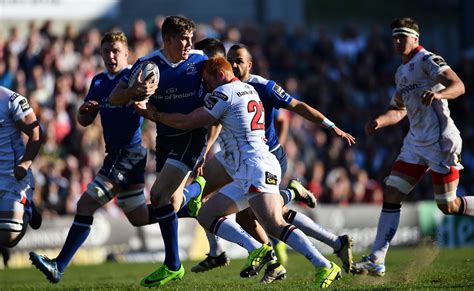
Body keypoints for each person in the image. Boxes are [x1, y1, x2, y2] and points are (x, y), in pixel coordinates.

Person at [149, 56, 344, 288]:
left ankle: (324, 265)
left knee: (273, 223)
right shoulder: (248, 89)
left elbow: (190, 122)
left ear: (220, 75)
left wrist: (155, 115)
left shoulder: (225, 93)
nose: (206, 86)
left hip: (255, 166)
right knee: (206, 214)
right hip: (246, 169)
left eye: (208, 81)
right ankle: (257, 248)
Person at [192, 42, 356, 281]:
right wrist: (205, 150)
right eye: (230, 59)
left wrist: (329, 126)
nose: (234, 64)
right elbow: (214, 122)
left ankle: (275, 257)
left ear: (250, 64)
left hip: (264, 156)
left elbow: (293, 109)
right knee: (206, 200)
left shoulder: (262, 87)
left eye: (239, 60)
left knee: (264, 217)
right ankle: (323, 241)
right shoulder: (220, 88)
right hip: (235, 159)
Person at [29, 31, 155, 283]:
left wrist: (140, 93)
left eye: (115, 51)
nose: (111, 55)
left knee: (85, 204)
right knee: (139, 216)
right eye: (106, 50)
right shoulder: (97, 81)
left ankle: (59, 265)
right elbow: (84, 120)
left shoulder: (135, 76)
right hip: (115, 155)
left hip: (129, 154)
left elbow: (146, 97)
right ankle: (188, 205)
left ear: (126, 53)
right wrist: (85, 113)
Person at [352, 17, 473, 277]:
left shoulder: (428, 60)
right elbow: (398, 110)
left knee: (448, 206)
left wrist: (440, 93)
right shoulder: (401, 72)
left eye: (402, 36)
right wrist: (379, 121)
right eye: (395, 37)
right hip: (415, 143)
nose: (397, 41)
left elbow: (459, 85)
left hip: (441, 141)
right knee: (392, 193)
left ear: (415, 39)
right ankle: (377, 259)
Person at [109, 16, 208, 287]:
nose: (189, 44)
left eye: (191, 38)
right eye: (182, 39)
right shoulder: (147, 65)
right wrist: (133, 90)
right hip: (165, 140)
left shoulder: (201, 62)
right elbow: (113, 98)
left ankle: (173, 265)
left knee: (158, 195)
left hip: (191, 137)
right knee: (173, 204)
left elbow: (224, 91)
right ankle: (196, 190)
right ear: (167, 40)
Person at [0, 86, 43, 248]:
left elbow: (36, 133)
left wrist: (25, 163)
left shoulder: (11, 100)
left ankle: (28, 207)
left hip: (11, 176)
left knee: (8, 237)